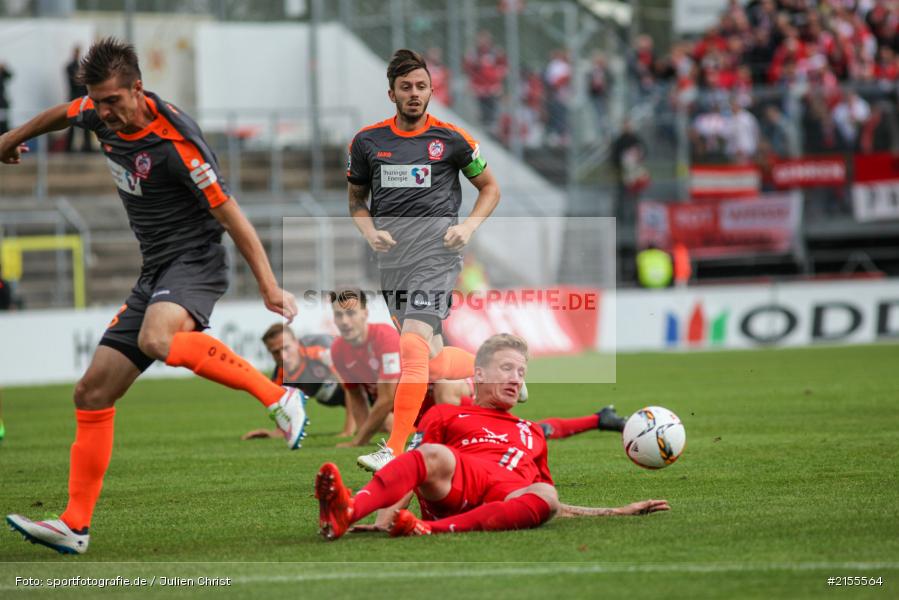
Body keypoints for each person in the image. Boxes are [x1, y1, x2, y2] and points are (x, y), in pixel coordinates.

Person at [1, 38, 305, 556]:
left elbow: (232, 216)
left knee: (158, 337)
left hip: (196, 261)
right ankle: (74, 525)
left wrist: (268, 284)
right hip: (155, 271)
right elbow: (63, 113)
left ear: (138, 89)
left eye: (112, 101)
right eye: (96, 101)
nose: (102, 111)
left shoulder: (177, 143)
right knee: (91, 392)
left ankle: (278, 396)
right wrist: (12, 135)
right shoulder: (101, 113)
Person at [315, 334, 669, 540]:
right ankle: (348, 509)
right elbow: (412, 470)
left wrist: (616, 512)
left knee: (546, 492)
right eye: (506, 369)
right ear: (479, 374)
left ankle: (429, 529)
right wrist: (381, 521)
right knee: (433, 453)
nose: (516, 379)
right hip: (457, 482)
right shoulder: (447, 413)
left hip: (505, 498)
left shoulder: (532, 433)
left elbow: (546, 507)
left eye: (521, 372)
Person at [346, 49, 501, 471]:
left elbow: (490, 188)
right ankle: (501, 371)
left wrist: (467, 228)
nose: (414, 94)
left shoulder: (452, 140)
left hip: (437, 257)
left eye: (421, 87)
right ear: (391, 94)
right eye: (405, 88)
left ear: (431, 90)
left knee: (412, 346)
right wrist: (370, 232)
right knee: (429, 363)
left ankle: (393, 450)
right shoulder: (367, 142)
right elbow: (356, 202)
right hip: (393, 264)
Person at [242, 324, 356, 440]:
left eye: (286, 348)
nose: (283, 356)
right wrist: (275, 433)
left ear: (296, 342)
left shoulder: (320, 348)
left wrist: (348, 431)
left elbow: (351, 385)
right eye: (275, 352)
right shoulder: (279, 379)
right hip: (337, 397)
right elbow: (282, 419)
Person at [65, 46, 92, 153]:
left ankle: (87, 146)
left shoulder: (80, 67)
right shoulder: (70, 67)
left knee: (86, 122)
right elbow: (75, 81)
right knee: (72, 123)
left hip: (83, 98)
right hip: (74, 98)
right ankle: (68, 147)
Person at [0, 61, 12, 135]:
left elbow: (9, 75)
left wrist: (3, 69)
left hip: (2, 105)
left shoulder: (2, 74)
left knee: (3, 125)